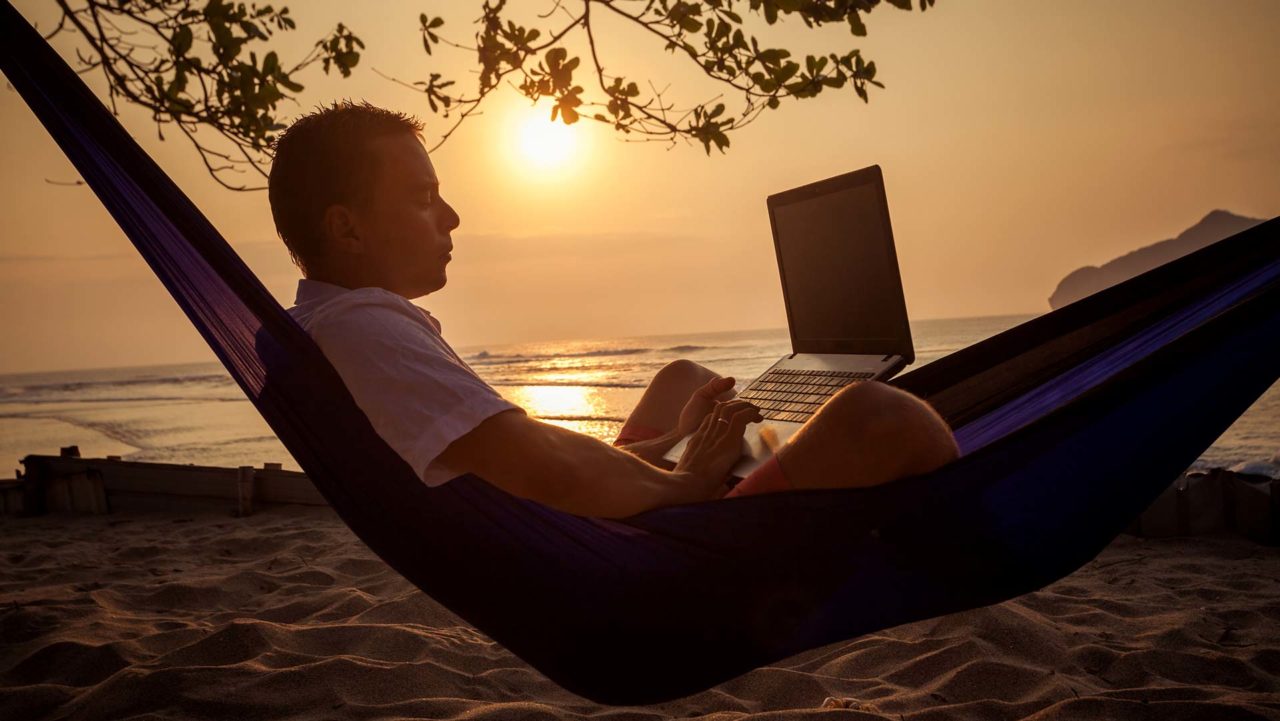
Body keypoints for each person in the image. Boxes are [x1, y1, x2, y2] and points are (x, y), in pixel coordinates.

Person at [273, 102, 959, 520]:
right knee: (882, 414)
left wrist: (666, 450)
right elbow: (544, 468)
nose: (451, 216)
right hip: (640, 561)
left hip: (583, 522)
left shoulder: (326, 326)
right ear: (348, 229)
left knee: (685, 381)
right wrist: (687, 480)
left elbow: (510, 455)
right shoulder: (362, 329)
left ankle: (741, 446)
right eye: (424, 198)